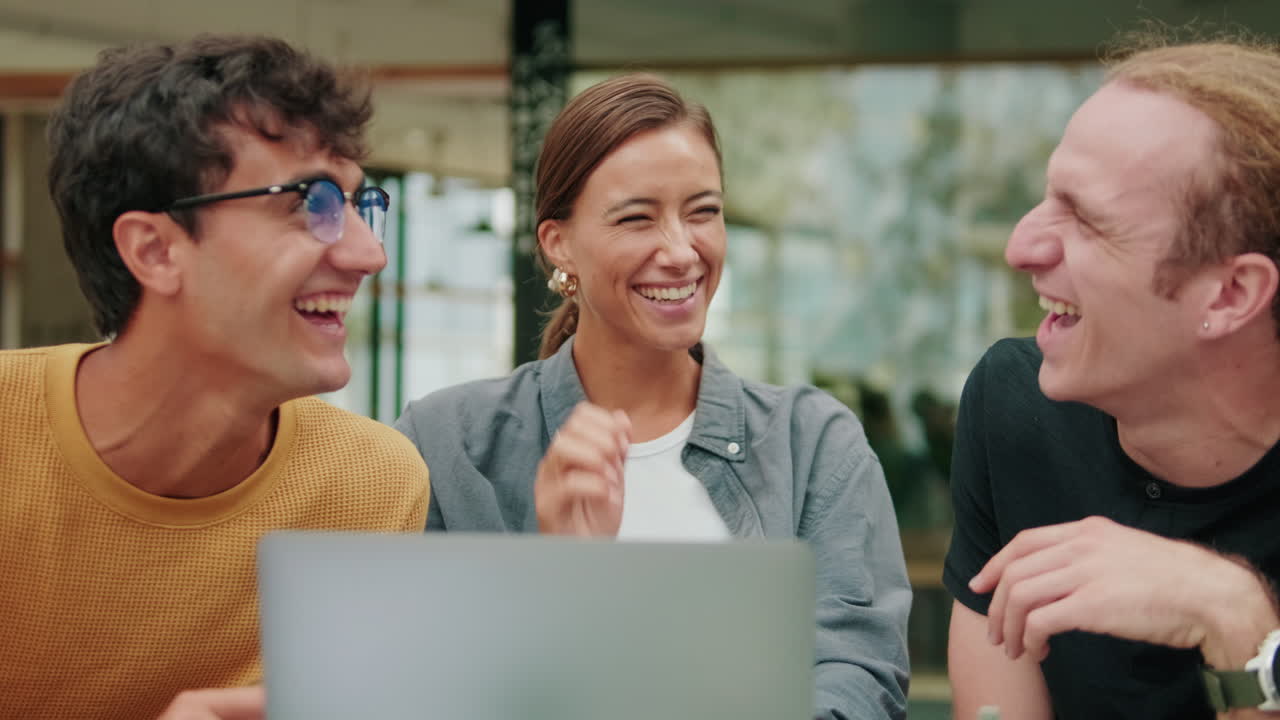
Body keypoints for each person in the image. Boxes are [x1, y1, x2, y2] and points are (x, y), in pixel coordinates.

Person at [395, 73, 911, 720]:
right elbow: (418, 689)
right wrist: (558, 583)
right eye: (637, 218)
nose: (681, 250)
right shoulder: (447, 446)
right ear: (560, 245)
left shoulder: (811, 445)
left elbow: (858, 683)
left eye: (704, 212)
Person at [0, 35, 430, 719]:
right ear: (156, 250)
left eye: (356, 205)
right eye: (309, 204)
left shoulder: (373, 483)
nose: (369, 253)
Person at [944, 35, 1280, 720]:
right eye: (1048, 197)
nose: (1020, 247)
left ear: (1229, 295)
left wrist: (1238, 619)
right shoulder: (1014, 411)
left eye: (1087, 220)